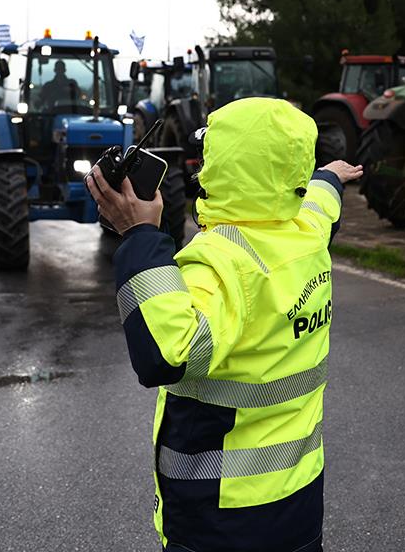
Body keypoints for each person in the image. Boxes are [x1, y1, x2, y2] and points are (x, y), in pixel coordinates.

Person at [86, 97, 363, 552]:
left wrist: (139, 235)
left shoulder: (220, 262)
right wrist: (328, 176)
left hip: (221, 518)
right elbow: (319, 202)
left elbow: (165, 354)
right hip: (299, 500)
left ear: (222, 164)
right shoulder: (306, 237)